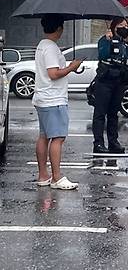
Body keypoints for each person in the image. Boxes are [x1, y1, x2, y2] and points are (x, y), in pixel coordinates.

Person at [33, 14, 83, 190]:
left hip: (42, 97)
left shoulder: (42, 45)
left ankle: (43, 175)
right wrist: (71, 67)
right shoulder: (51, 48)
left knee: (44, 136)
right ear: (59, 29)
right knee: (58, 138)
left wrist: (69, 69)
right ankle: (56, 177)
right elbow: (53, 74)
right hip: (53, 98)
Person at [92, 17, 128, 154]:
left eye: (126, 25)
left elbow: (126, 60)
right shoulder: (105, 40)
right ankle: (98, 144)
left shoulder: (125, 44)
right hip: (105, 81)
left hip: (119, 82)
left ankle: (113, 142)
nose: (125, 27)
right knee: (100, 114)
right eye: (121, 25)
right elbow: (103, 55)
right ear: (114, 27)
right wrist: (108, 41)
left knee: (113, 114)